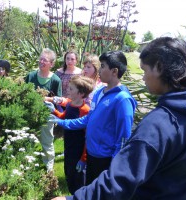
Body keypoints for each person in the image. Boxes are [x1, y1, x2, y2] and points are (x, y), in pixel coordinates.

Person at [52, 37, 186, 200]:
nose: (143, 78)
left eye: (144, 70)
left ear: (159, 67)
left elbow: (121, 180)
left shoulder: (160, 124)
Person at [50, 50, 137, 185]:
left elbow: (124, 136)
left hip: (105, 158)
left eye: (102, 66)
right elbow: (87, 119)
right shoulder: (99, 93)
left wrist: (115, 164)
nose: (99, 70)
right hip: (91, 153)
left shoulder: (123, 99)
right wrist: (61, 122)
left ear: (114, 71)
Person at [46, 75, 94, 194]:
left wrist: (83, 159)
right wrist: (54, 111)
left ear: (81, 94)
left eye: (71, 89)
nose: (68, 90)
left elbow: (88, 137)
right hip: (69, 147)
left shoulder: (85, 110)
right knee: (69, 176)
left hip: (78, 151)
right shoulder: (70, 105)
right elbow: (64, 117)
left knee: (79, 182)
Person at [25, 48, 62, 172]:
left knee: (47, 141)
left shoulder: (55, 80)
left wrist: (45, 98)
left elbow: (58, 99)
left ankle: (48, 169)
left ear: (51, 64)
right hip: (30, 113)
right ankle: (27, 164)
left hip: (47, 115)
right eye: (40, 59)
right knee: (28, 138)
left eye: (45, 60)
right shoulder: (30, 76)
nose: (41, 62)